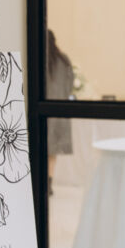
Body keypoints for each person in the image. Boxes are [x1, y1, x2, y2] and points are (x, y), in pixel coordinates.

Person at [45, 30, 74, 190]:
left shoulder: (38, 58)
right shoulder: (63, 60)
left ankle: (40, 182)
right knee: (52, 152)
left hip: (44, 110)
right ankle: (49, 182)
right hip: (59, 110)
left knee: (39, 148)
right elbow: (70, 85)